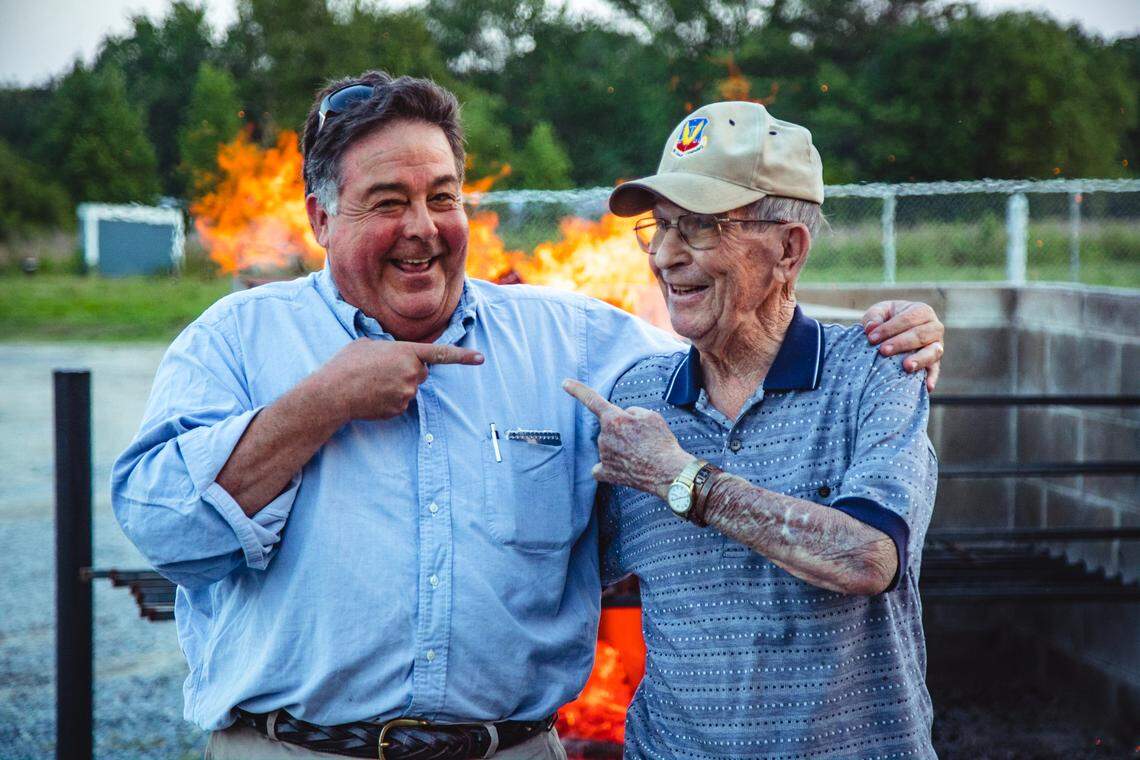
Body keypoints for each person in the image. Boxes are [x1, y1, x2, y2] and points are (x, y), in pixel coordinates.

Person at [112, 73, 944, 760]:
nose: (422, 229)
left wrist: (885, 332)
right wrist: (325, 400)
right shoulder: (236, 339)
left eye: (442, 197)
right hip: (293, 750)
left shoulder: (579, 343)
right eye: (387, 202)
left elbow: (736, 334)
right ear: (322, 218)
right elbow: (167, 528)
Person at [564, 101, 939, 759]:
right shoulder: (639, 395)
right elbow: (569, 565)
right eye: (660, 227)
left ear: (788, 249)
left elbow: (869, 557)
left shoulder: (877, 372)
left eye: (701, 227)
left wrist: (681, 479)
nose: (664, 255)